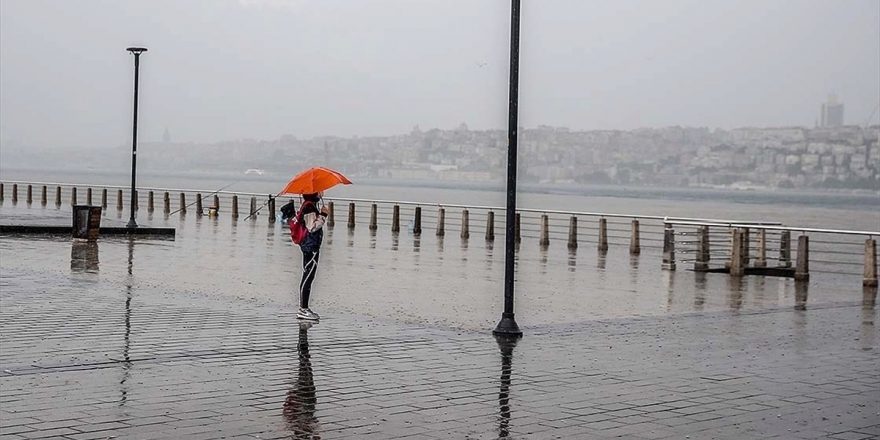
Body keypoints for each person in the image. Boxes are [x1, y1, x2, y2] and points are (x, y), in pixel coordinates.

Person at [294, 192, 329, 321]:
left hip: (310, 245)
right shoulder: (309, 207)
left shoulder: (310, 206)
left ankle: (304, 308)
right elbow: (312, 227)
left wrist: (320, 214)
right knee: (308, 275)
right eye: (319, 192)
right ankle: (303, 308)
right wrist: (323, 215)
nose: (321, 194)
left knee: (309, 274)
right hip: (310, 245)